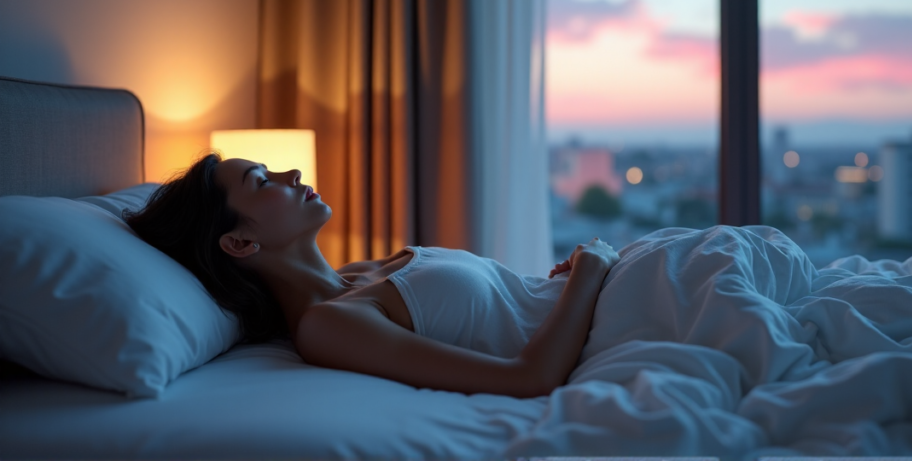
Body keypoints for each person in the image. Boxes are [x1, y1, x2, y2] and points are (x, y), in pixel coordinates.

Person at [125, 153, 621, 398]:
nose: (292, 175)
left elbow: (507, 305)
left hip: (611, 294)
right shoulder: (326, 325)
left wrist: (564, 279)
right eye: (262, 181)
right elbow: (529, 378)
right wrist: (590, 269)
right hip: (612, 317)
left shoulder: (360, 272)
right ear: (238, 243)